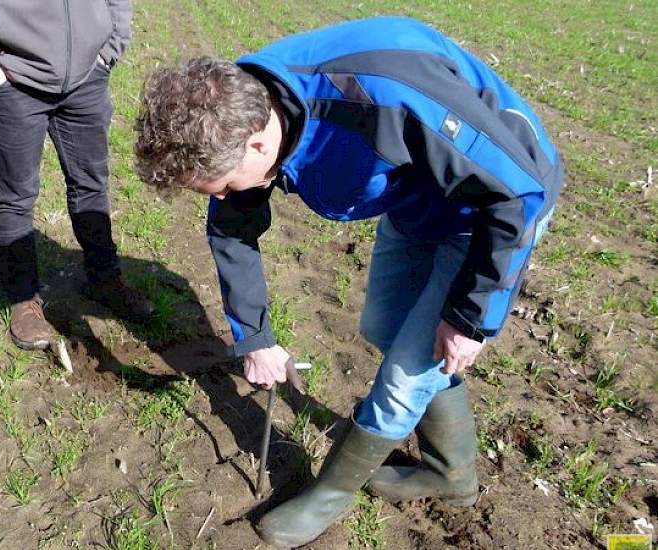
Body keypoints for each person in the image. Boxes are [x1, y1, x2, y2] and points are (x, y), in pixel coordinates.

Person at [134, 16, 563, 548]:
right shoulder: (246, 109)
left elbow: (514, 194)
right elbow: (233, 229)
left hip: (495, 208)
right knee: (385, 325)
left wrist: (470, 316)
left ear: (257, 146)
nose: (220, 198)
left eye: (219, 187)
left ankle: (331, 492)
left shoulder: (382, 96)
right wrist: (256, 337)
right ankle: (452, 473)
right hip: (418, 200)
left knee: (408, 374)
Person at [0, 0, 154, 350]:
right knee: (15, 196)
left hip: (88, 73)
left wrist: (113, 40)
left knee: (91, 183)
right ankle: (23, 298)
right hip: (11, 78)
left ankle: (105, 278)